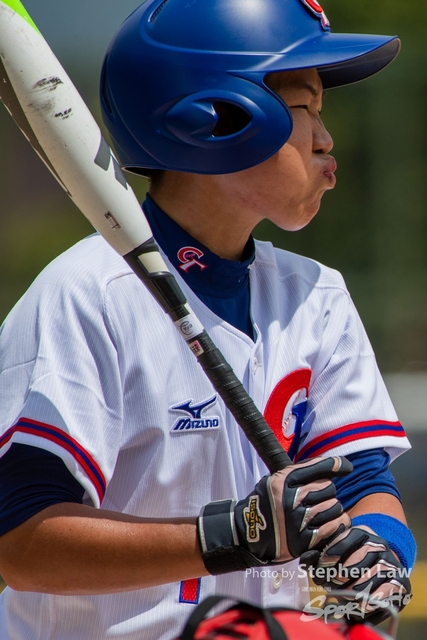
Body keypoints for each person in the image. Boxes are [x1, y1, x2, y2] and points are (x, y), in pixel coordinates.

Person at [0, 0, 416, 638]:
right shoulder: (88, 292)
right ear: (217, 118)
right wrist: (230, 534)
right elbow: (21, 544)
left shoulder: (316, 294)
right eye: (303, 108)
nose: (325, 139)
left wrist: (376, 560)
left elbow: (362, 482)